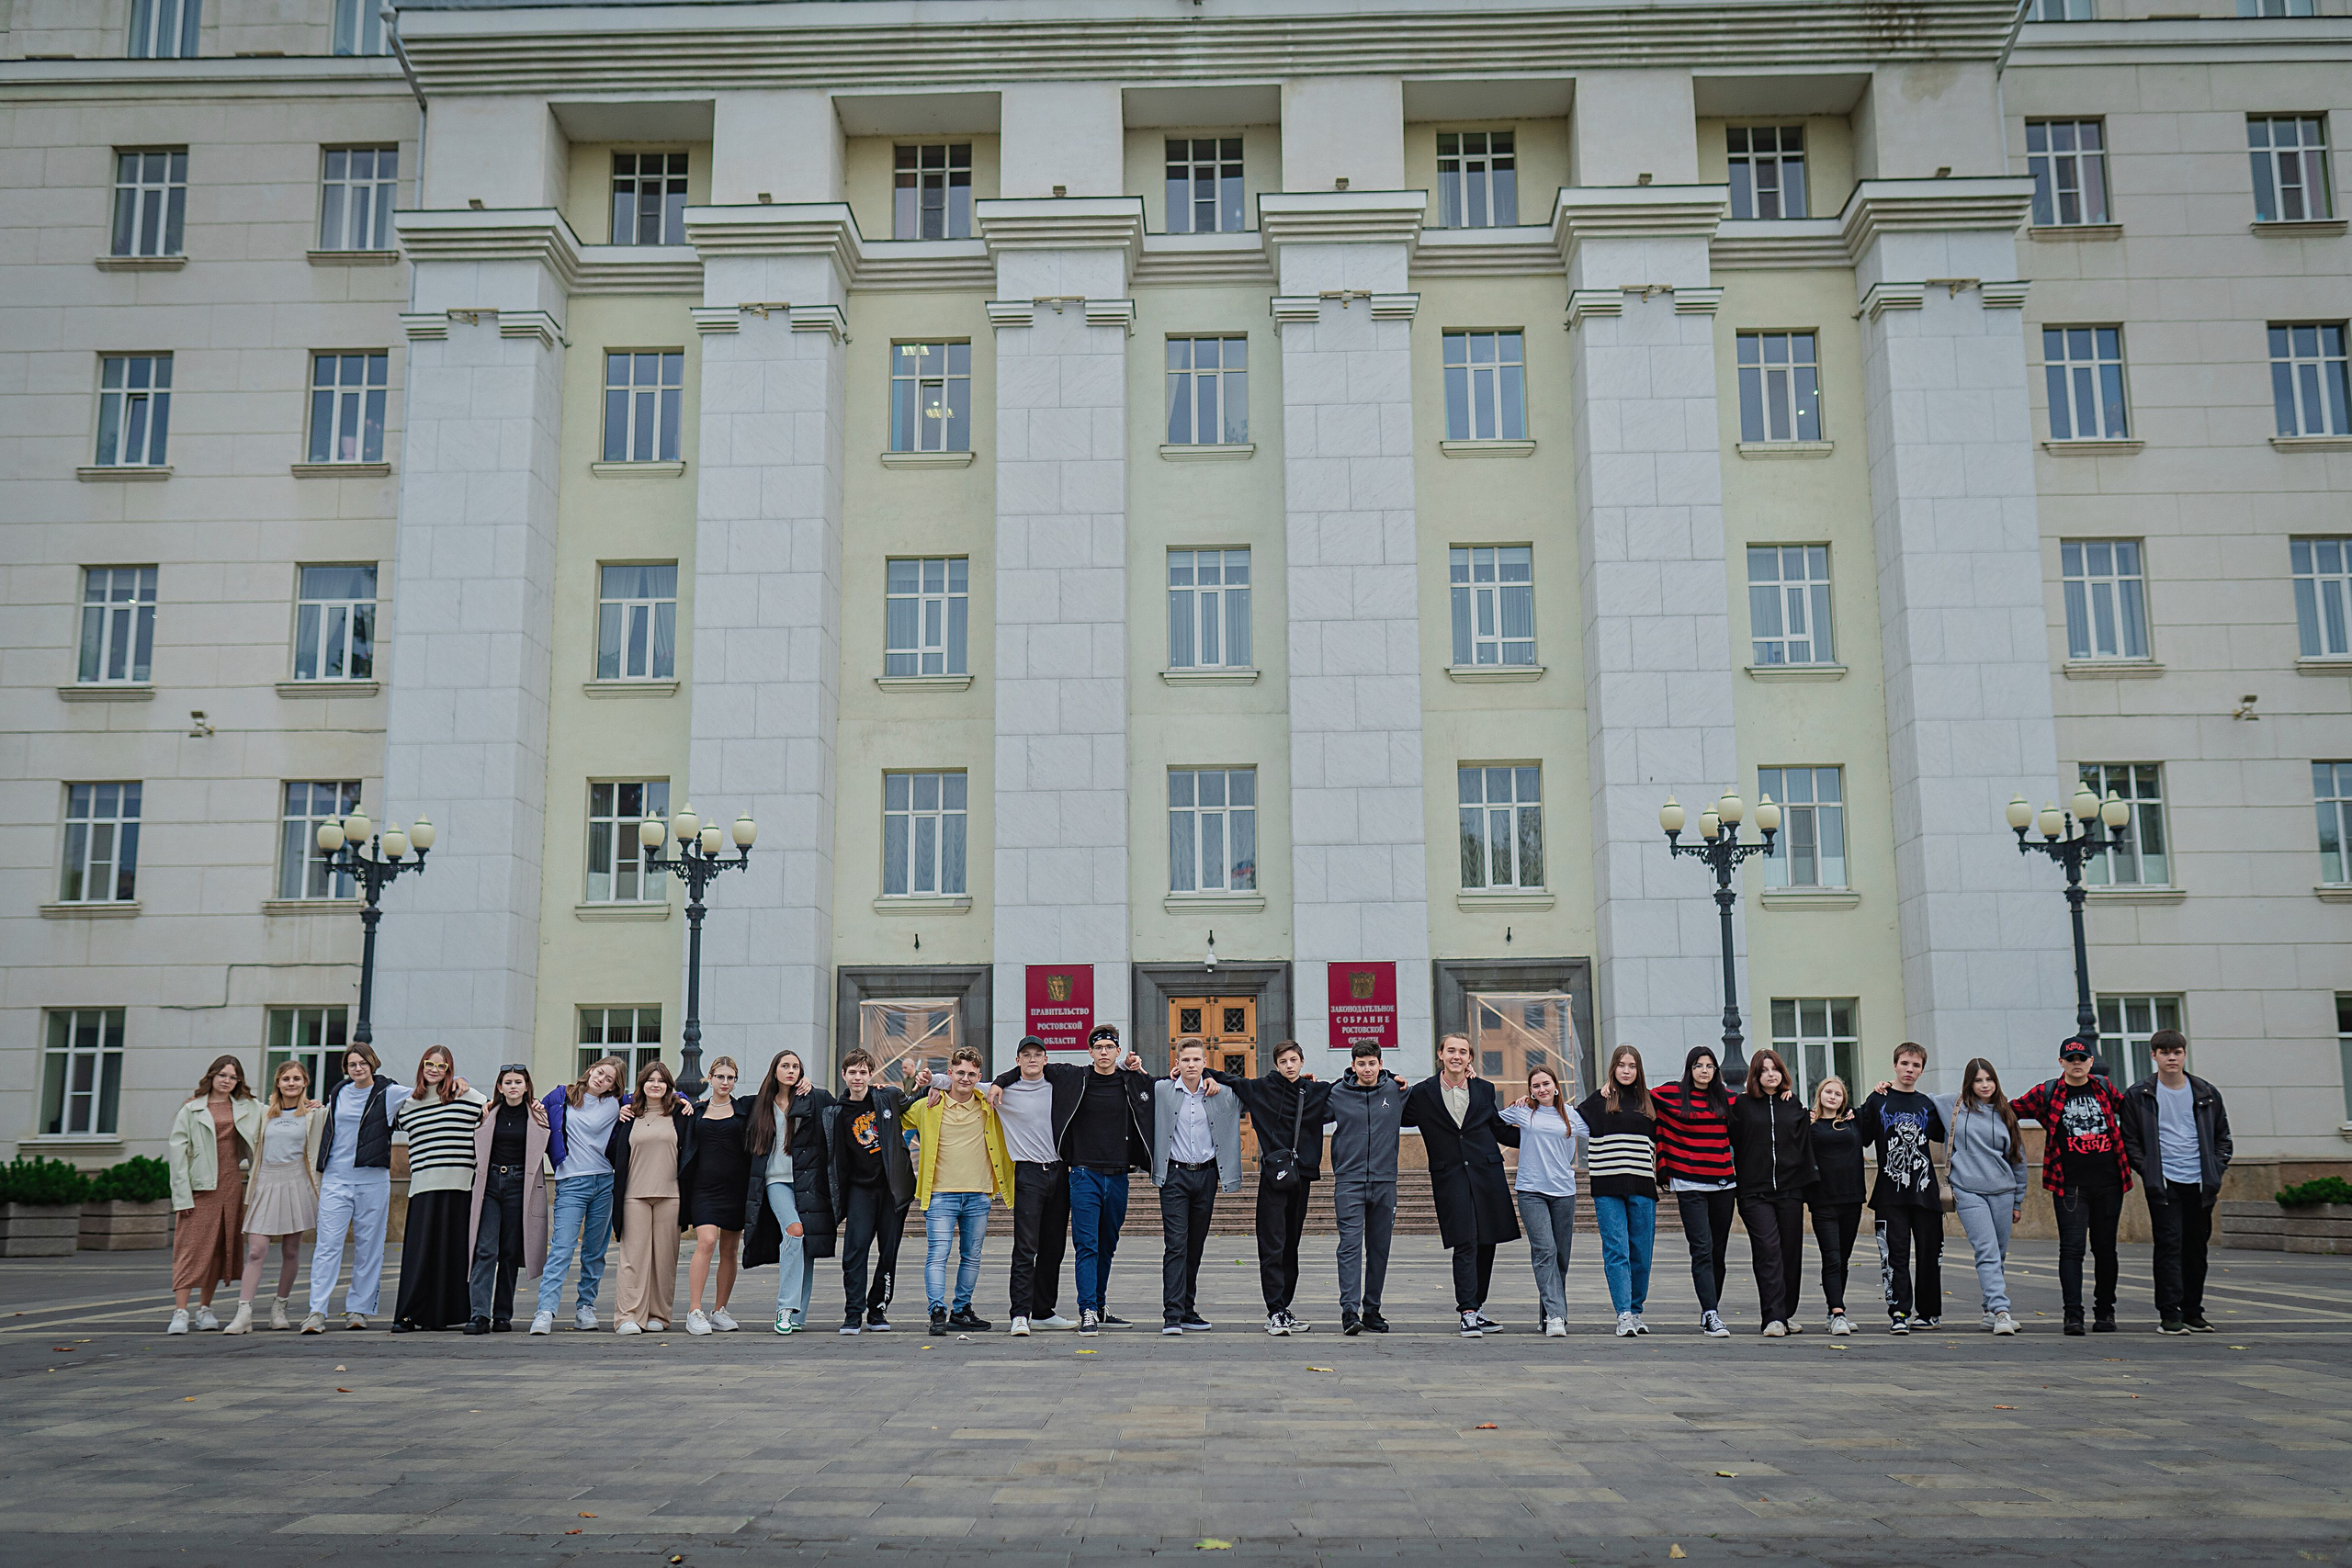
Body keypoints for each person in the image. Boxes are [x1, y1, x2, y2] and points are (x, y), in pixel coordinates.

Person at [993, 1024, 1157, 1336]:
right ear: (1090, 1052)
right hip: (1080, 1174)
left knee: (1101, 1245)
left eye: (1111, 1048)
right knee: (1082, 1245)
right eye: (1099, 1048)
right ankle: (1085, 1310)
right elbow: (1024, 1068)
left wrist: (1201, 1079)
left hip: (1116, 1175)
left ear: (1118, 1052)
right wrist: (999, 1080)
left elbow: (1161, 1089)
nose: (1105, 1052)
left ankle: (1091, 1305)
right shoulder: (1073, 1077)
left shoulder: (1131, 1080)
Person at [1207, 1039, 1334, 1335]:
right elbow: (1227, 1078)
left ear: (1302, 1062)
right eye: (1283, 1062)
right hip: (1274, 1179)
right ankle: (1274, 1310)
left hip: (1302, 1177)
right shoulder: (1261, 1089)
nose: (1289, 1066)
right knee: (1272, 1243)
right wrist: (1204, 1075)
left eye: (1293, 1060)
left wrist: (1393, 1079)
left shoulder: (1314, 1091)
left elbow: (1354, 1083)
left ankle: (1285, 1308)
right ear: (1276, 1065)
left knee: (1291, 1244)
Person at [2012, 1037, 2134, 1336]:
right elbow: (2009, 1109)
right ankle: (2073, 1316)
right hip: (2069, 1186)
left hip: (2110, 1183)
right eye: (2071, 1058)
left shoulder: (2104, 1088)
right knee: (2071, 1250)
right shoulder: (2048, 1092)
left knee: (2106, 1251)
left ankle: (2105, 1313)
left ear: (2091, 1062)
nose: (2076, 1063)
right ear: (2061, 1062)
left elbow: (2134, 1112)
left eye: (2082, 1058)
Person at [1406, 1032, 1522, 1338]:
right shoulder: (1422, 1093)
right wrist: (1392, 1081)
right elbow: (1394, 1113)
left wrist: (1539, 1130)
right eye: (1451, 1051)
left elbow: (1497, 1127)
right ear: (1440, 1055)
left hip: (1487, 1173)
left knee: (1487, 1241)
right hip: (1450, 1176)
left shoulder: (1484, 1089)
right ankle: (1467, 1311)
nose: (1456, 1056)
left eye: (1463, 1052)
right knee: (1465, 1240)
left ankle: (1478, 1307)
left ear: (1470, 1058)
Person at [2120, 1028, 2232, 1335]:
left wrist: (2216, 1167)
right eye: (2165, 1052)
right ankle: (2170, 1314)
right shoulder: (2139, 1094)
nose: (2172, 1057)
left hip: (2200, 1182)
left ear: (2184, 1054)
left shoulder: (2205, 1092)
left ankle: (2194, 1312)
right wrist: (2149, 1170)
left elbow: (2223, 1136)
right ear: (2154, 1055)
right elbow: (2130, 1141)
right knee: (2169, 1246)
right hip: (2165, 1181)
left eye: (2177, 1052)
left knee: (2196, 1248)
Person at [907, 1046, 1016, 1335]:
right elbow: (896, 1114)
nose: (965, 1078)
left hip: (979, 1194)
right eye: (960, 1073)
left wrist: (938, 1082)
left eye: (971, 1074)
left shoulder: (990, 1105)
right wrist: (923, 1088)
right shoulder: (928, 1106)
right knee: (938, 1254)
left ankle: (962, 1309)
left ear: (978, 1076)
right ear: (950, 1073)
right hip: (941, 1194)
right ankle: (936, 1311)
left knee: (972, 1255)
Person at [304, 1043, 412, 1333]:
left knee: (369, 1247)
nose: (357, 1068)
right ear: (346, 1067)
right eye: (352, 1064)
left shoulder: (389, 1092)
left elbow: (426, 1094)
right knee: (327, 1245)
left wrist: (462, 1085)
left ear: (373, 1064)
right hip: (336, 1179)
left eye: (363, 1063)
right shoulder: (339, 1092)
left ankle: (358, 1311)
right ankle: (316, 1311)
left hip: (372, 1179)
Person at [390, 1044, 489, 1333]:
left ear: (450, 1069)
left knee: (455, 1254)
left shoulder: (469, 1098)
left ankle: (455, 1314)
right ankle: (410, 1314)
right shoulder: (406, 1105)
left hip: (461, 1187)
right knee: (420, 1256)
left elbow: (499, 1111)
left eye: (441, 1066)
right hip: (423, 1188)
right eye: (429, 1065)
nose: (434, 1070)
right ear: (421, 1067)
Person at [530, 1055, 628, 1335]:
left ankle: (586, 1308)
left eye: (609, 1078)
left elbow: (659, 1090)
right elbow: (528, 1107)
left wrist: (682, 1097)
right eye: (600, 1072)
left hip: (604, 1183)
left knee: (595, 1251)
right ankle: (545, 1311)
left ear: (614, 1085)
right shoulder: (561, 1096)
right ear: (591, 1070)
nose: (601, 1079)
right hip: (571, 1182)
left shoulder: (617, 1104)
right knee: (562, 1247)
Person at [165, 1055, 263, 1334]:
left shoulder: (247, 1107)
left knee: (219, 1249)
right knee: (190, 1249)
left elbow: (281, 1109)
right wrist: (182, 1197)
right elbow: (178, 1155)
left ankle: (204, 1309)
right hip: (199, 1189)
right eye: (223, 1075)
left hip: (231, 1186)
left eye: (233, 1077)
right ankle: (180, 1312)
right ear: (212, 1076)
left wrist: (311, 1105)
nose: (227, 1081)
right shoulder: (191, 1109)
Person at [1151, 1038, 1242, 1335]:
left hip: (1206, 1176)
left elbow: (1257, 1090)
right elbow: (1131, 1079)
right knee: (1176, 1244)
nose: (1191, 1065)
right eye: (1185, 1060)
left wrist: (1215, 1078)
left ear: (1205, 1063)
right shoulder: (1162, 1090)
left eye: (1196, 1060)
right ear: (1176, 1063)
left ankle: (1188, 1310)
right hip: (1175, 1176)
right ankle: (1172, 1315)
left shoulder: (1221, 1093)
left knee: (1195, 1246)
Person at [825, 1048, 919, 1335]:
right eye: (852, 1072)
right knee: (855, 1251)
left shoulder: (886, 1096)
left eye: (863, 1072)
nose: (857, 1077)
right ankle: (853, 1312)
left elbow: (913, 1102)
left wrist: (924, 1083)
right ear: (844, 1075)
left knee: (888, 1252)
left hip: (892, 1190)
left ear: (871, 1074)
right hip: (859, 1191)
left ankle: (877, 1310)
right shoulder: (836, 1113)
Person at [228, 1059, 324, 1334]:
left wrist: (319, 1107)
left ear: (305, 1082)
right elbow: (234, 1103)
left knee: (291, 1250)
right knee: (257, 1250)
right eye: (286, 1079)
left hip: (296, 1182)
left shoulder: (314, 1115)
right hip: (266, 1181)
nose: (291, 1083)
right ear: (278, 1083)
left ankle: (279, 1309)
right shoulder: (262, 1113)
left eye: (296, 1079)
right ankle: (243, 1313)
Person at [1859, 1042, 1949, 1334]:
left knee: (1929, 1255)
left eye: (1916, 1065)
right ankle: (1899, 1312)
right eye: (1905, 1064)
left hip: (1926, 1195)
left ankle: (1929, 1313)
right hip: (1889, 1195)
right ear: (1895, 1065)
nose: (1910, 1069)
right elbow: (1859, 1132)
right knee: (1894, 1257)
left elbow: (1951, 1127)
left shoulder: (1927, 1105)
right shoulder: (1878, 1100)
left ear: (1922, 1070)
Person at [744, 1050, 836, 1334]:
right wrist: (687, 1102)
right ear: (775, 1071)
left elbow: (841, 1112)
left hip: (807, 1180)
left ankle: (798, 1315)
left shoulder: (812, 1099)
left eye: (796, 1066)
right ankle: (784, 1309)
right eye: (785, 1066)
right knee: (794, 1231)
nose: (791, 1070)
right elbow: (720, 1105)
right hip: (776, 1180)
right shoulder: (759, 1104)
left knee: (804, 1245)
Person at [1649, 1045, 1738, 1338]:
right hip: (1689, 1184)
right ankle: (1712, 1314)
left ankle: (1709, 1309)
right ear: (1689, 1068)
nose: (1704, 1070)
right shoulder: (1671, 1094)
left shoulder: (1727, 1099)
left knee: (1718, 1253)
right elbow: (1637, 1094)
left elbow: (1757, 1109)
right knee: (1701, 1248)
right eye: (1698, 1065)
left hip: (1724, 1184)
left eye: (1709, 1066)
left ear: (1716, 1070)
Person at [1569, 1044, 1657, 1339]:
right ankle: (1623, 1314)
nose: (1627, 1071)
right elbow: (1567, 1118)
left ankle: (1636, 1310)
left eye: (1632, 1066)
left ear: (1639, 1070)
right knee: (1616, 1250)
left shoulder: (1650, 1102)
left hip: (1643, 1186)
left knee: (1641, 1252)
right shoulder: (1600, 1101)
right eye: (1621, 1065)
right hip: (1608, 1187)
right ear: (1613, 1069)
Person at [991, 1036, 1076, 1336]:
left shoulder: (1059, 1089)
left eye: (1037, 1055)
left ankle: (1043, 1310)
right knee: (1026, 1247)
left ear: (1045, 1059)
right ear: (1017, 1061)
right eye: (1025, 1055)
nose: (1031, 1059)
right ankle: (1020, 1314)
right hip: (1027, 1174)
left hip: (1059, 1172)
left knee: (1054, 1247)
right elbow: (964, 1084)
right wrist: (932, 1081)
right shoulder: (1003, 1092)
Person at [1729, 1048, 1815, 1337]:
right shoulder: (1741, 1105)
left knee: (1790, 1253)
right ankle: (1772, 1317)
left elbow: (1806, 1142)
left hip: (1790, 1190)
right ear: (1755, 1074)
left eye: (1775, 1069)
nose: (1771, 1074)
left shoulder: (1793, 1105)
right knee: (1768, 1251)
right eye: (1764, 1070)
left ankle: (1786, 1313)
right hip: (1755, 1193)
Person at [1326, 1040, 1408, 1335]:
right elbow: (1307, 1109)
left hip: (1385, 1181)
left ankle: (1372, 1310)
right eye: (1361, 1064)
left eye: (1372, 1063)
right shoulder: (1338, 1094)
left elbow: (1435, 1095)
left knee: (1379, 1248)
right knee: (1349, 1246)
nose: (1367, 1069)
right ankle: (1350, 1311)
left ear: (1380, 1064)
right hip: (1349, 1181)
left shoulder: (1396, 1092)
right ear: (1353, 1065)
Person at [609, 1059, 697, 1335]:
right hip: (634, 1195)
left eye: (661, 1081)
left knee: (665, 1260)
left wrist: (686, 1101)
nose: (655, 1085)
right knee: (632, 1260)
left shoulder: (680, 1114)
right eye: (650, 1081)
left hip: (670, 1195)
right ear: (642, 1085)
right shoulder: (627, 1115)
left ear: (669, 1086)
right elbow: (612, 1151)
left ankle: (658, 1315)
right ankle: (628, 1316)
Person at [1943, 1056, 2028, 1337]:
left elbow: (2018, 1160)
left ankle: (1989, 1310)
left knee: (1999, 1255)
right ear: (1969, 1083)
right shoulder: (1953, 1106)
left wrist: (2017, 1201)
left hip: (2003, 1193)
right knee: (1987, 1251)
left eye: (1989, 1079)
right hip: (1968, 1191)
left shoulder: (2006, 1113)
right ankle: (2002, 1311)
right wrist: (1884, 1086)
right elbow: (1915, 1098)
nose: (1984, 1085)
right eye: (1978, 1080)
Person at [1500, 1065, 1583, 1338]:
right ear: (1530, 1091)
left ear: (1556, 1086)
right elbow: (1489, 1118)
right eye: (1535, 1086)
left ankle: (1546, 1313)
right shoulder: (1523, 1112)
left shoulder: (1571, 1115)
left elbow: (1600, 1127)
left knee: (1561, 1257)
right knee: (1544, 1250)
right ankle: (1557, 1316)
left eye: (1545, 1084)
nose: (1541, 1089)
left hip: (1564, 1192)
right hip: (1531, 1191)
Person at [466, 1065, 548, 1336]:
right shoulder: (487, 1113)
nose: (513, 1086)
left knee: (511, 1252)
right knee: (485, 1249)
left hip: (519, 1185)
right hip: (490, 1183)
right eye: (508, 1082)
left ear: (527, 1087)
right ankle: (479, 1314)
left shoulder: (537, 1115)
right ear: (499, 1087)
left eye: (518, 1082)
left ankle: (502, 1314)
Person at [682, 1056, 750, 1335]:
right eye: (720, 1077)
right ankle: (694, 1311)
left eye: (730, 1077)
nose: (725, 1082)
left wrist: (804, 1081)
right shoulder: (695, 1111)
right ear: (709, 1078)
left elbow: (777, 1092)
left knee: (730, 1250)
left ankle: (720, 1310)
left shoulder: (744, 1109)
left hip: (736, 1189)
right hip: (704, 1188)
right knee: (707, 1241)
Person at [1805, 1077, 1867, 1337]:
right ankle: (1838, 1311)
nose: (1832, 1097)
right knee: (1831, 1257)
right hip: (1823, 1202)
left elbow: (1875, 1107)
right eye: (1828, 1092)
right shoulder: (1809, 1126)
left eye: (1838, 1094)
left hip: (1852, 1199)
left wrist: (1881, 1087)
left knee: (1843, 1259)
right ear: (1819, 1096)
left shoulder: (1853, 1123)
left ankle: (1833, 1312)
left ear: (1844, 1099)